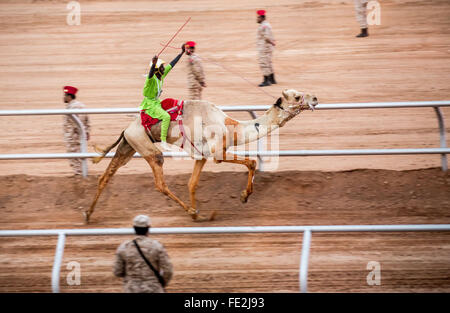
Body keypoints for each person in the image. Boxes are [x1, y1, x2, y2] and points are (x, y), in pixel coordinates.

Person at [140, 45, 185, 151]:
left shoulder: (161, 75)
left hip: (156, 101)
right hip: (150, 104)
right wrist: (153, 64)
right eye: (161, 67)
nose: (164, 68)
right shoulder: (150, 79)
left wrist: (181, 53)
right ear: (157, 69)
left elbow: (172, 65)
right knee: (166, 117)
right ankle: (163, 141)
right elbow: (150, 74)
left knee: (173, 103)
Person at [113, 215, 173, 293]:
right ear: (148, 228)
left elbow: (117, 272)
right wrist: (162, 283)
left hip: (131, 289)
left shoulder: (124, 247)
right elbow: (168, 270)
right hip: (153, 288)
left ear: (134, 228)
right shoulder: (157, 246)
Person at [63, 86, 90, 176]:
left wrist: (78, 133)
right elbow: (87, 120)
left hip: (74, 136)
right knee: (79, 154)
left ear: (69, 96)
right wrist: (87, 131)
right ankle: (81, 173)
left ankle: (79, 174)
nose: (64, 97)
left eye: (65, 95)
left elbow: (79, 122)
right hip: (77, 135)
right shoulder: (79, 105)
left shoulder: (74, 107)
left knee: (75, 154)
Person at [256, 9, 276, 87]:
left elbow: (267, 37)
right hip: (266, 47)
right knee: (268, 62)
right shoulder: (266, 25)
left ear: (262, 18)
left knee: (264, 63)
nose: (257, 19)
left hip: (264, 47)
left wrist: (271, 43)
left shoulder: (264, 26)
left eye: (258, 17)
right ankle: (272, 79)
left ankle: (266, 80)